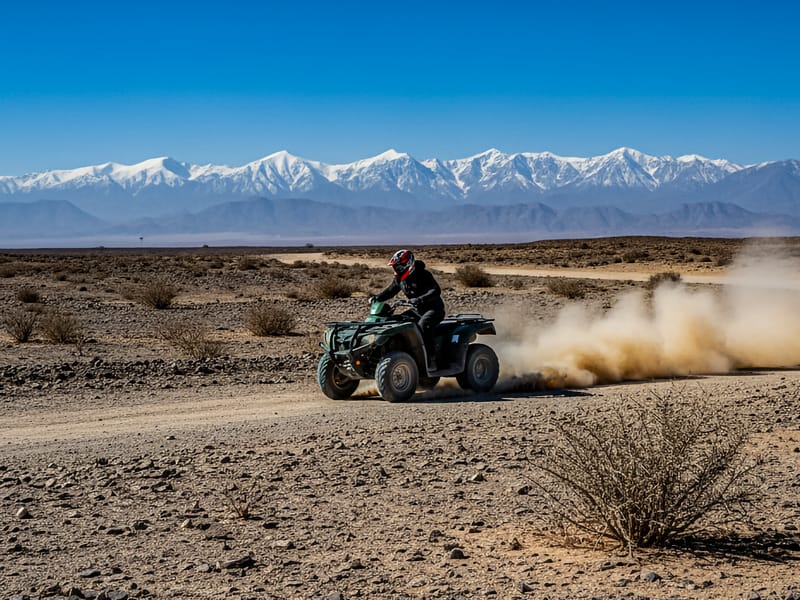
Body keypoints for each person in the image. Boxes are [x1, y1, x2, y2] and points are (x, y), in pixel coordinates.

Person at [371, 249, 446, 369]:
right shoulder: (400, 279)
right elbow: (391, 291)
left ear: (408, 264)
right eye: (395, 267)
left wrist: (420, 299)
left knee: (423, 326)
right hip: (417, 311)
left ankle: (431, 359)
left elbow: (436, 290)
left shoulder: (423, 274)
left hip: (433, 309)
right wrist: (377, 298)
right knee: (395, 322)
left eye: (399, 267)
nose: (396, 269)